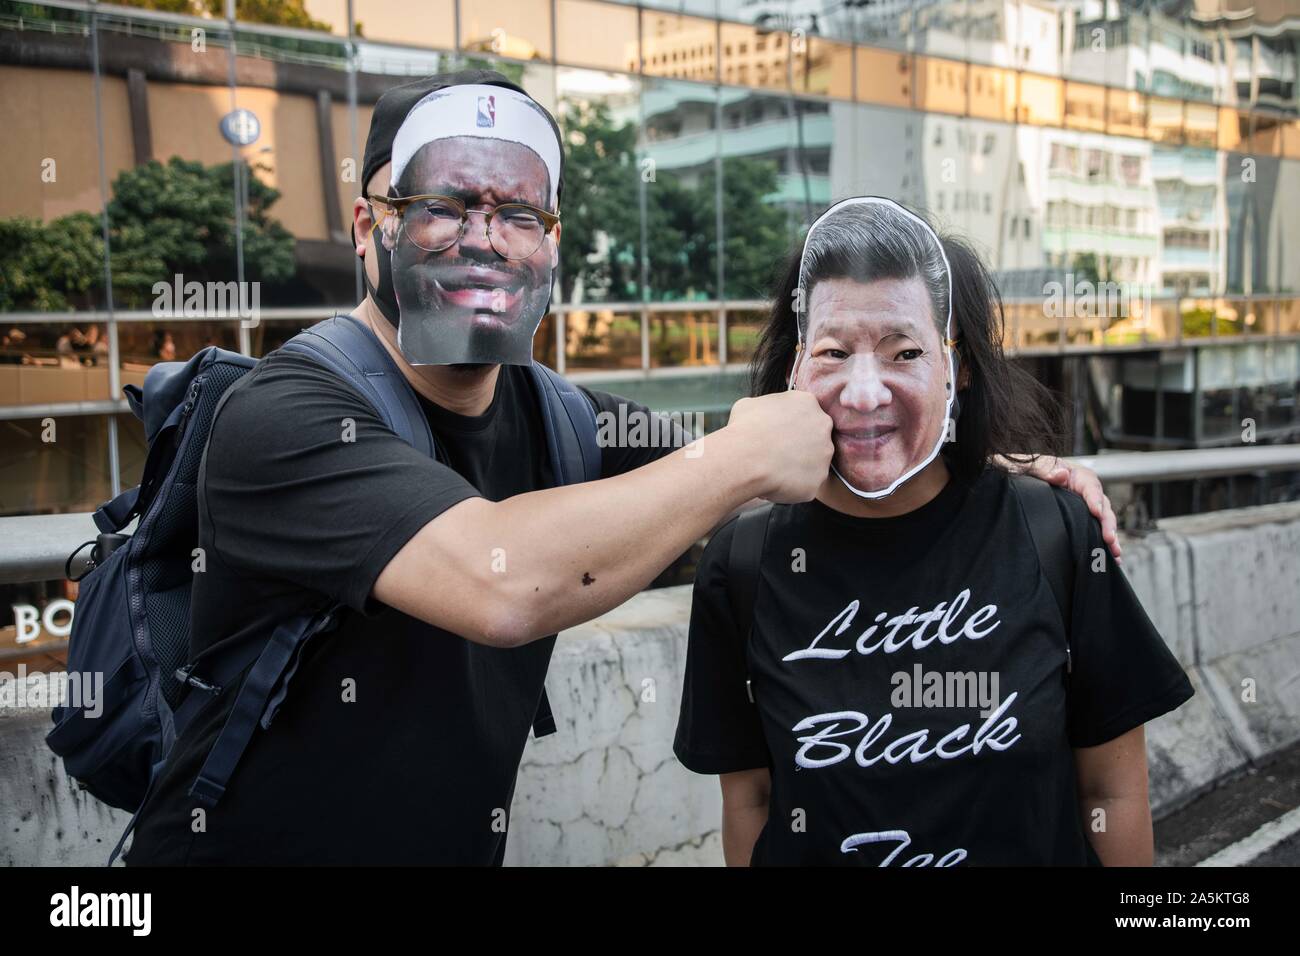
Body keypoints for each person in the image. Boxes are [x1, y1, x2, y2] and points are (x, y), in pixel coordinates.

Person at [124, 75, 1114, 865]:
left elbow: (798, 445)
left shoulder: (555, 416)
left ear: (552, 245)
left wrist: (970, 451)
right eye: (442, 202)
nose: (483, 237)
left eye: (519, 213)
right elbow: (503, 578)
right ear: (364, 225)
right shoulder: (285, 415)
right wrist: (734, 457)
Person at [673, 198, 1192, 866]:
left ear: (961, 365)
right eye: (833, 351)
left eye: (905, 351)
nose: (864, 392)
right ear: (796, 366)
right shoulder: (745, 563)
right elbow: (752, 803)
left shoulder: (1053, 534)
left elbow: (1111, 790)